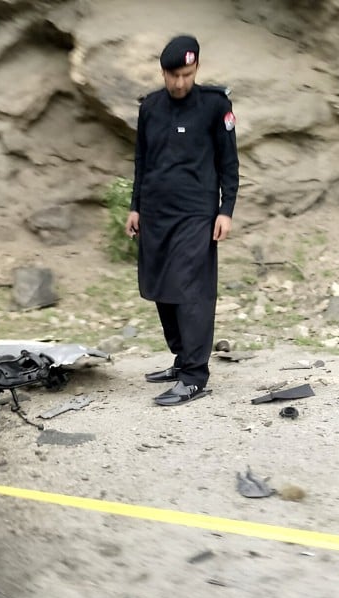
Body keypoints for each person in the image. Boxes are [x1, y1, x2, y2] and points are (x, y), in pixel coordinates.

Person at [124, 35, 239, 406]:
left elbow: (229, 163)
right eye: (173, 75)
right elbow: (142, 161)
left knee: (191, 291)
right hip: (156, 212)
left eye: (186, 74)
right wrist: (135, 206)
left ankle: (194, 375)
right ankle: (181, 357)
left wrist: (226, 210)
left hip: (196, 213)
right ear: (163, 72)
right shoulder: (151, 108)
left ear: (197, 69)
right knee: (160, 287)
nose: (179, 83)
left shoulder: (214, 106)